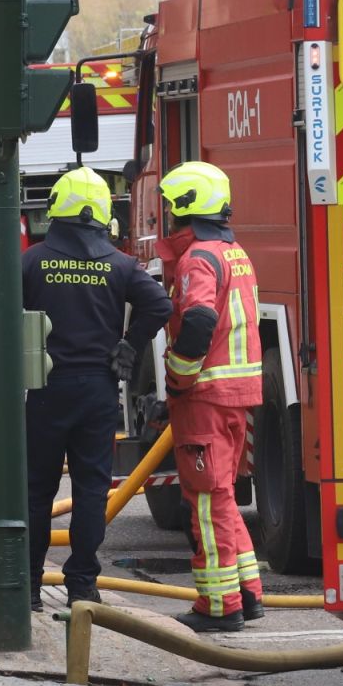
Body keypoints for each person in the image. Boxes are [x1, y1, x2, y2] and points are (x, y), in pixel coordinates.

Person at [22, 167, 171, 610]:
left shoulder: (31, 261)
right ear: (104, 215)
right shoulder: (121, 266)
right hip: (99, 394)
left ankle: (28, 587)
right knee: (90, 490)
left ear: (57, 211)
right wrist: (130, 344)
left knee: (36, 490)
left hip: (45, 389)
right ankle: (82, 586)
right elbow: (160, 305)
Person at [157, 161, 265, 632]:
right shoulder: (232, 251)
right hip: (237, 394)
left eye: (169, 207)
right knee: (221, 496)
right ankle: (248, 593)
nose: (166, 216)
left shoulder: (197, 258)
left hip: (204, 396)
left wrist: (178, 375)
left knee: (205, 500)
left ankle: (220, 607)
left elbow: (199, 320)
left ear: (185, 208)